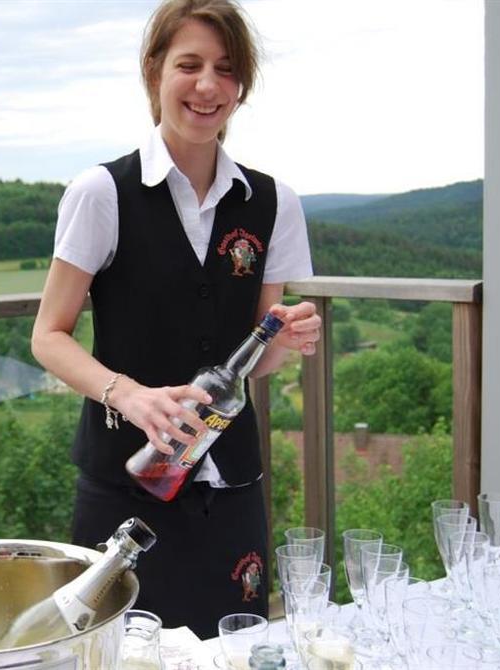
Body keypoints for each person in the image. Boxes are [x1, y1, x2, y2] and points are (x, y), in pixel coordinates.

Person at [31, 0, 320, 638]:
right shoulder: (101, 193)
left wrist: (287, 337)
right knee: (119, 651)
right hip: (125, 488)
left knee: (239, 643)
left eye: (226, 68)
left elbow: (260, 356)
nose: (208, 85)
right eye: (189, 65)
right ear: (154, 71)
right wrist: (129, 395)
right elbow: (48, 337)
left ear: (241, 85)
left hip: (233, 491)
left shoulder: (274, 203)